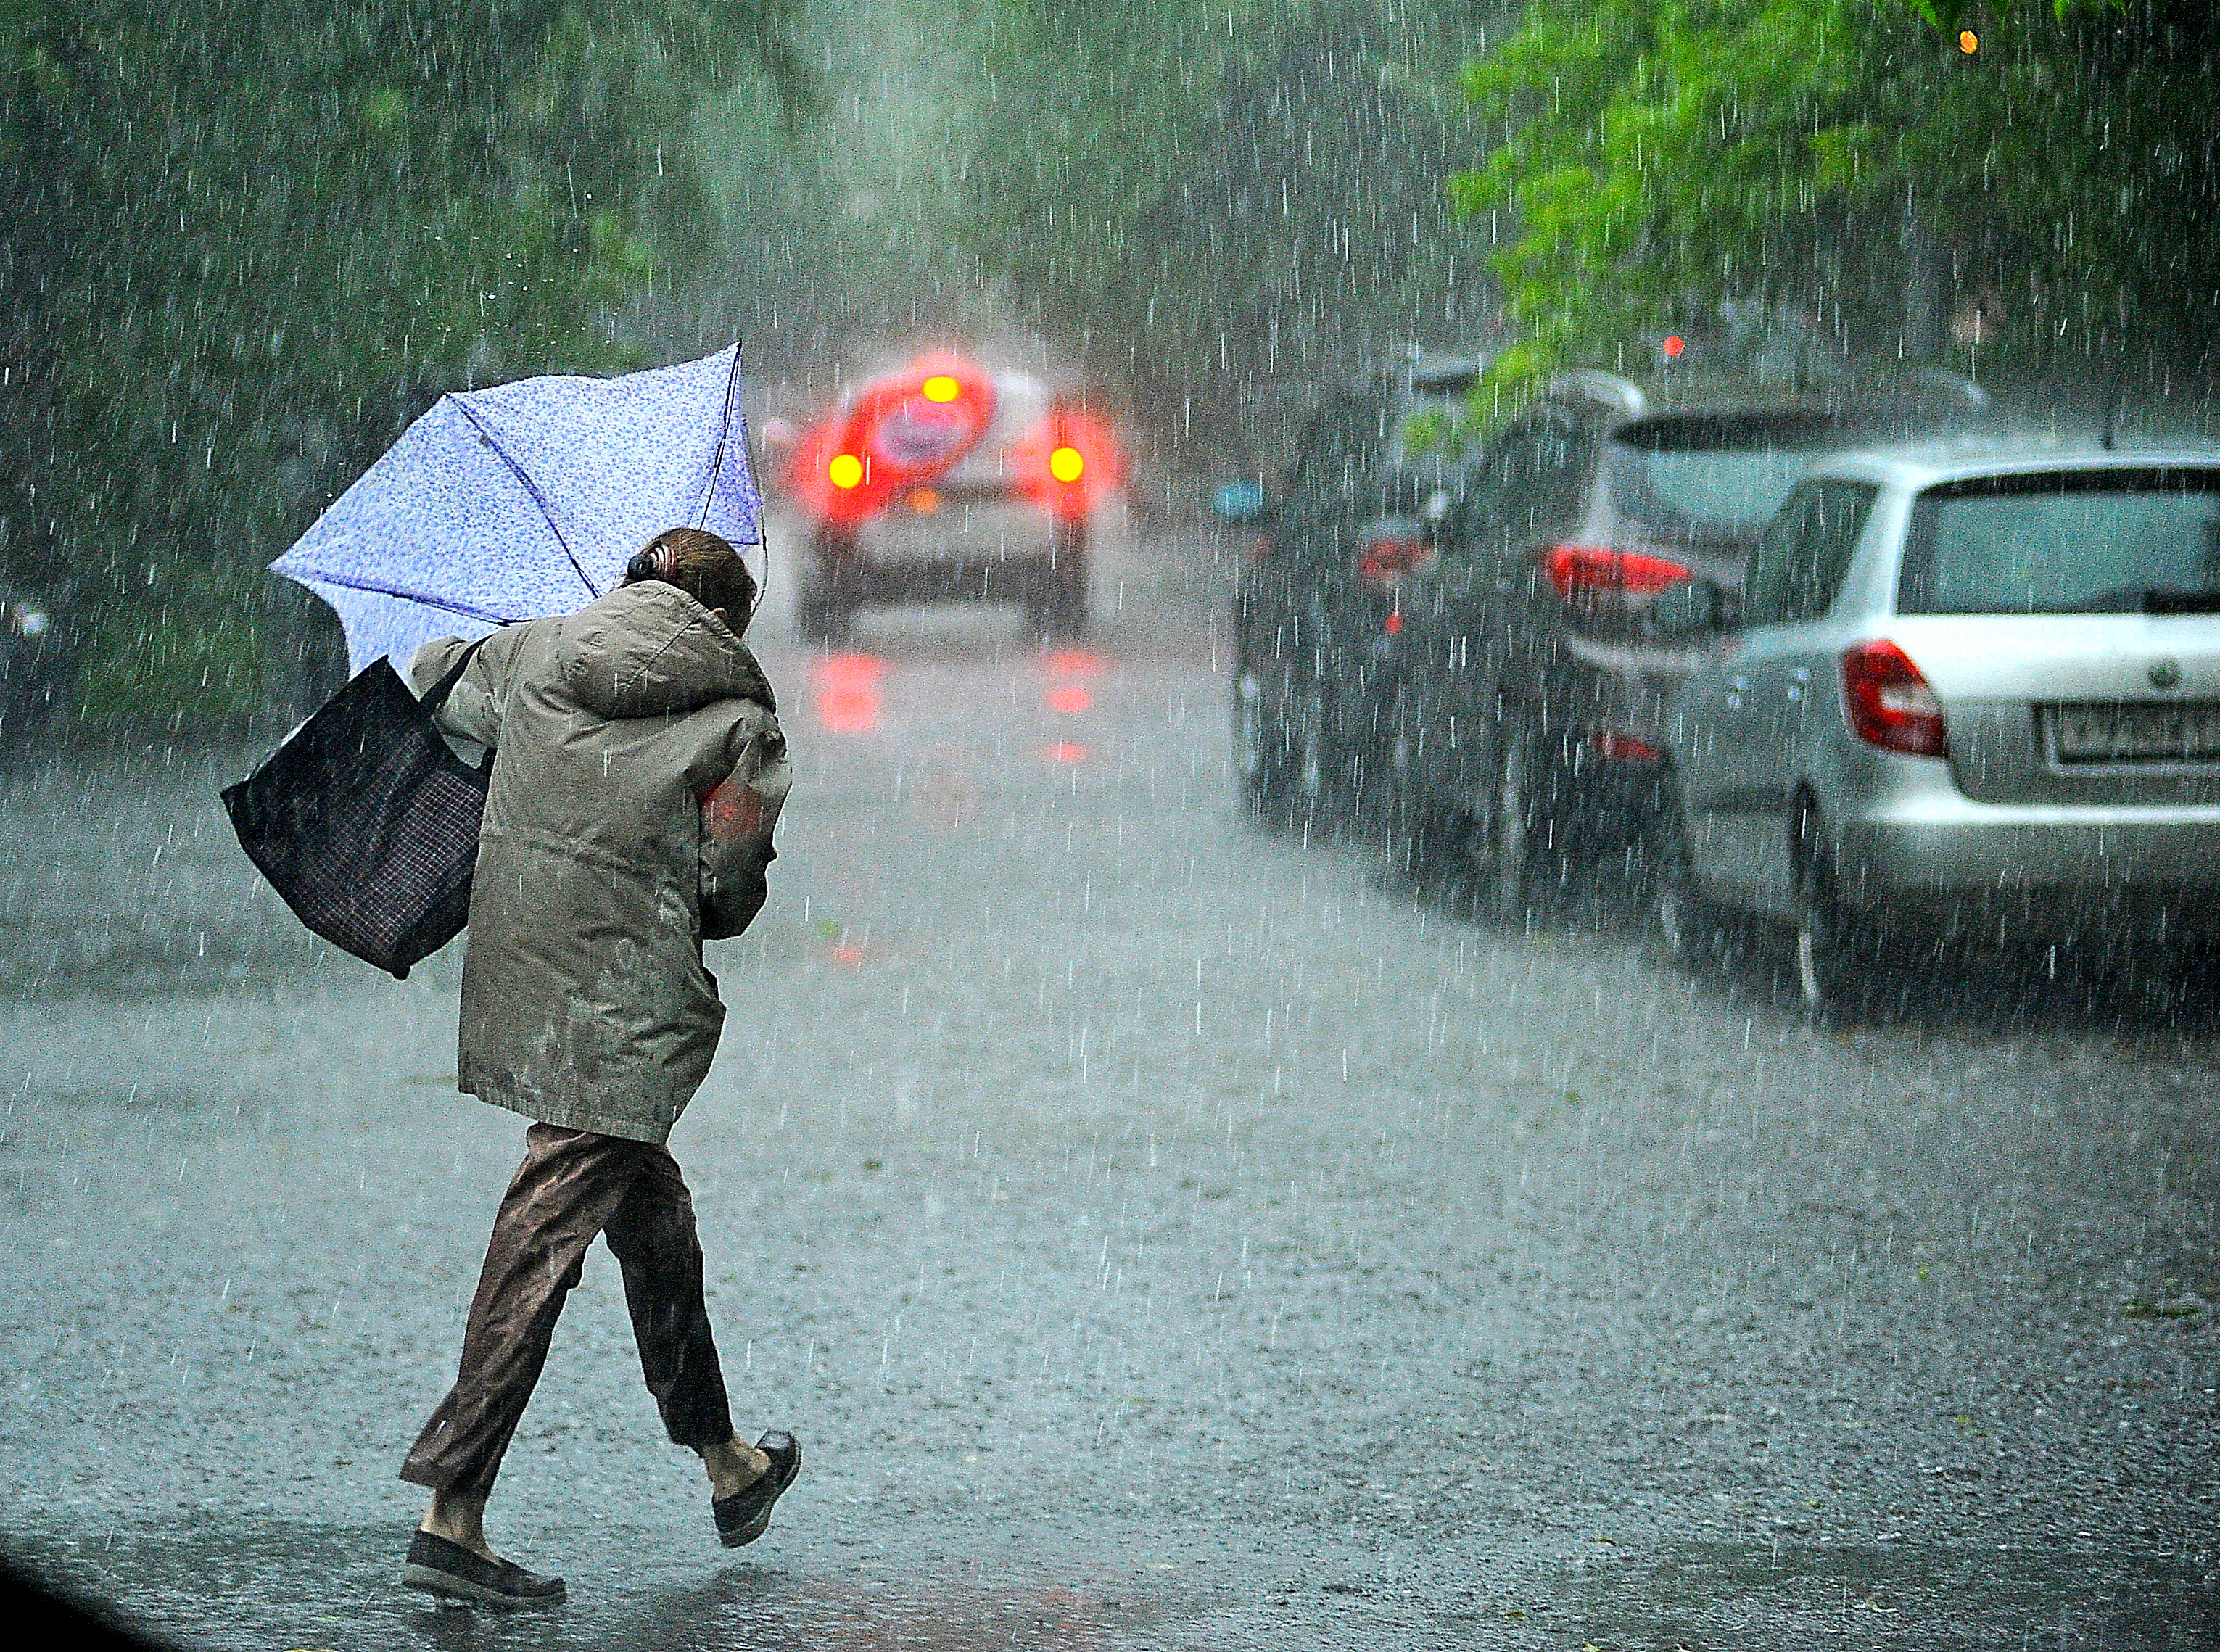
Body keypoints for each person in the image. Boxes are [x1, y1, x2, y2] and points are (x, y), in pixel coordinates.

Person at [395, 527, 798, 1609]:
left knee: (650, 1210)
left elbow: (434, 676)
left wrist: (545, 637)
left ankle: (726, 1460)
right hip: (624, 1005)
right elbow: (731, 884)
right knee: (540, 1239)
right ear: (725, 622)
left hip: (523, 968)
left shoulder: (535, 650)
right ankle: (454, 1509)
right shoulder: (737, 718)